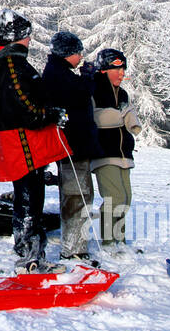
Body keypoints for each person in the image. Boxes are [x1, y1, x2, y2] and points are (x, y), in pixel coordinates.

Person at [0, 11, 70, 273]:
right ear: (19, 37)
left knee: (27, 195)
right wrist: (50, 114)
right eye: (27, 35)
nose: (30, 40)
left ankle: (27, 248)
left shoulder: (0, 63)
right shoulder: (12, 64)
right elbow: (25, 107)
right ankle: (30, 254)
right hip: (22, 141)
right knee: (30, 196)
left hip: (11, 139)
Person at [41, 31, 100, 261]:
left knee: (79, 195)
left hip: (74, 146)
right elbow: (80, 94)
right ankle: (74, 249)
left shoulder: (60, 72)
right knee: (77, 196)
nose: (80, 56)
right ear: (67, 53)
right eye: (77, 52)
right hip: (73, 146)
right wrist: (87, 76)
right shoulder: (59, 75)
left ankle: (76, 245)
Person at [88, 48, 143, 250]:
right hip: (104, 152)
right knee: (114, 198)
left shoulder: (123, 94)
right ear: (104, 70)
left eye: (123, 69)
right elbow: (95, 117)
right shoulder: (94, 89)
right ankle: (109, 242)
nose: (121, 73)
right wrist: (121, 116)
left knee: (126, 198)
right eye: (116, 69)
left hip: (123, 154)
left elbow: (125, 116)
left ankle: (119, 240)